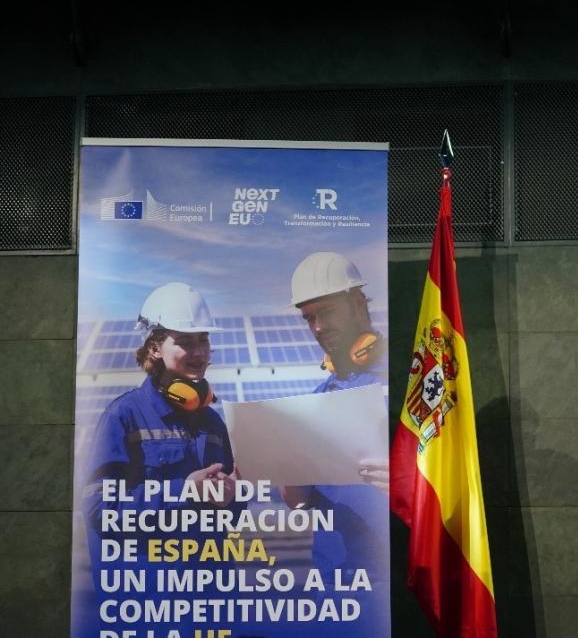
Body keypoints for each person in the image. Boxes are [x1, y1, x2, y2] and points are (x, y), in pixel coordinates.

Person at [80, 282, 241, 634]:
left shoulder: (214, 420)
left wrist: (232, 497)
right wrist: (183, 492)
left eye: (204, 340)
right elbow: (98, 510)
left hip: (209, 597)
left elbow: (232, 512)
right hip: (149, 603)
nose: (200, 352)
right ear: (154, 347)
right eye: (185, 341)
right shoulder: (124, 416)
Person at [281, 251, 390, 633]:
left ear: (358, 304)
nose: (316, 328)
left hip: (394, 583)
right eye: (308, 317)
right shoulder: (317, 398)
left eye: (325, 313)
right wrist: (288, 468)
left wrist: (405, 482)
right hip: (332, 583)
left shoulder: (408, 380)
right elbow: (298, 503)